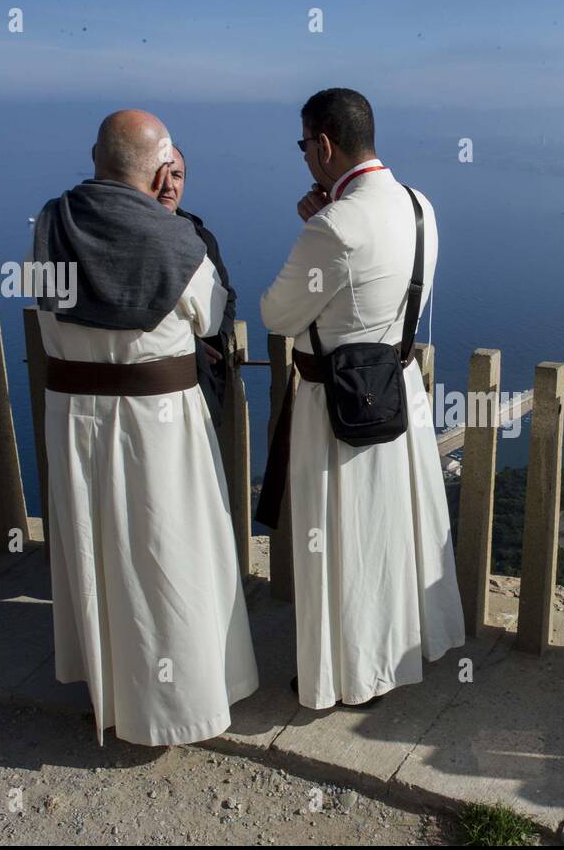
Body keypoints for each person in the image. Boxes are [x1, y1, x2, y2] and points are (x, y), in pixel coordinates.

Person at [31, 109, 258, 745]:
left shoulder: (49, 222)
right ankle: (178, 705)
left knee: (94, 546)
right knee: (166, 559)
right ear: (163, 171)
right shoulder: (177, 241)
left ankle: (105, 686)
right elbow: (211, 317)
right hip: (157, 425)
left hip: (74, 416)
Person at [257, 88, 465, 709]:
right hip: (397, 389)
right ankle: (403, 648)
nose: (304, 157)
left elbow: (276, 313)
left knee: (341, 539)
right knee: (391, 531)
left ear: (323, 144)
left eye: (304, 146)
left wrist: (318, 223)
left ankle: (351, 672)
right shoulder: (420, 206)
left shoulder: (333, 227)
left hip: (335, 404)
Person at [157, 145, 238, 426]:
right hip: (156, 384)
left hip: (204, 380)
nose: (168, 186)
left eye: (177, 175)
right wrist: (184, 342)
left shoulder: (201, 237)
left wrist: (217, 343)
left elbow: (227, 297)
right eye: (160, 174)